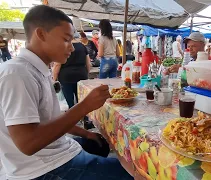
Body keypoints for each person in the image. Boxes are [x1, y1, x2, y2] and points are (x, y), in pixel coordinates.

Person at [0, 5, 133, 180]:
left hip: (57, 149)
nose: (71, 48)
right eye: (66, 39)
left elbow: (49, 118)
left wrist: (86, 133)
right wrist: (84, 106)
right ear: (41, 34)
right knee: (134, 172)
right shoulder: (17, 73)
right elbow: (27, 144)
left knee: (99, 144)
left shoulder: (37, 69)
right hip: (41, 169)